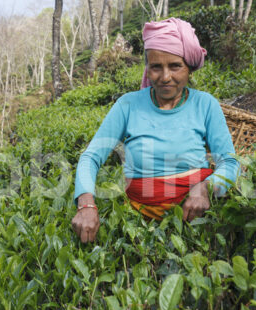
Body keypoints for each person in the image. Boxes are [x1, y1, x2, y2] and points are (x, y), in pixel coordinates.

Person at [72, 18, 240, 243]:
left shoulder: (205, 104)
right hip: (140, 225)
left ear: (189, 67)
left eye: (175, 66)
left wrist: (206, 189)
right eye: (156, 67)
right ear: (147, 68)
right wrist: (86, 203)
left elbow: (230, 163)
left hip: (199, 221)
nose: (165, 77)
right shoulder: (128, 105)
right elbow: (91, 157)